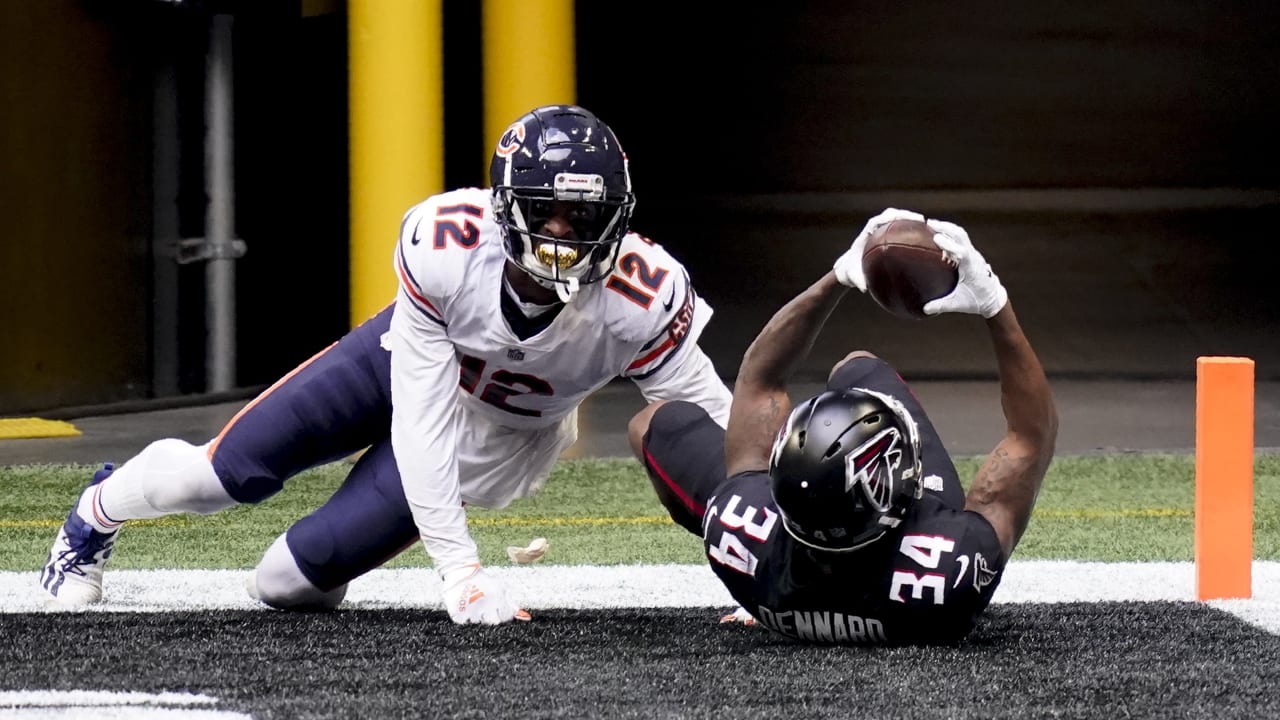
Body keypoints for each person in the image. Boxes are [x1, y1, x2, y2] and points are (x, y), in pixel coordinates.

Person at [40, 104, 733, 624]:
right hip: (397, 362)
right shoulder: (447, 247)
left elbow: (712, 428)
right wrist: (460, 570)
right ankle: (94, 515)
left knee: (284, 586)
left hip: (498, 429)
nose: (562, 235)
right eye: (545, 212)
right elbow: (423, 418)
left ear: (617, 217)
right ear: (504, 207)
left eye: (582, 218)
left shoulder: (642, 294)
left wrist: (752, 561)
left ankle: (342, 544)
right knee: (221, 476)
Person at [629, 208, 1058, 645]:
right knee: (859, 367)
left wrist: (836, 277)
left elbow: (759, 379)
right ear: (894, 495)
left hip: (777, 576)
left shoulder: (743, 539)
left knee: (654, 423)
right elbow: (1031, 436)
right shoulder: (949, 570)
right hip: (890, 564)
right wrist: (994, 304)